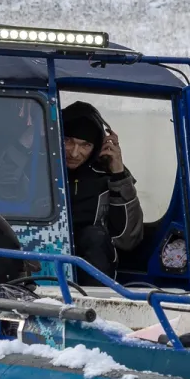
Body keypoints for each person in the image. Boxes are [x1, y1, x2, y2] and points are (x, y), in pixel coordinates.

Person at [61, 101, 143, 281]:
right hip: (41, 256)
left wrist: (118, 173)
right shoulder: (38, 166)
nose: (75, 153)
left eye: (85, 145)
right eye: (68, 141)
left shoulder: (108, 175)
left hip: (92, 269)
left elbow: (127, 239)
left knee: (94, 235)